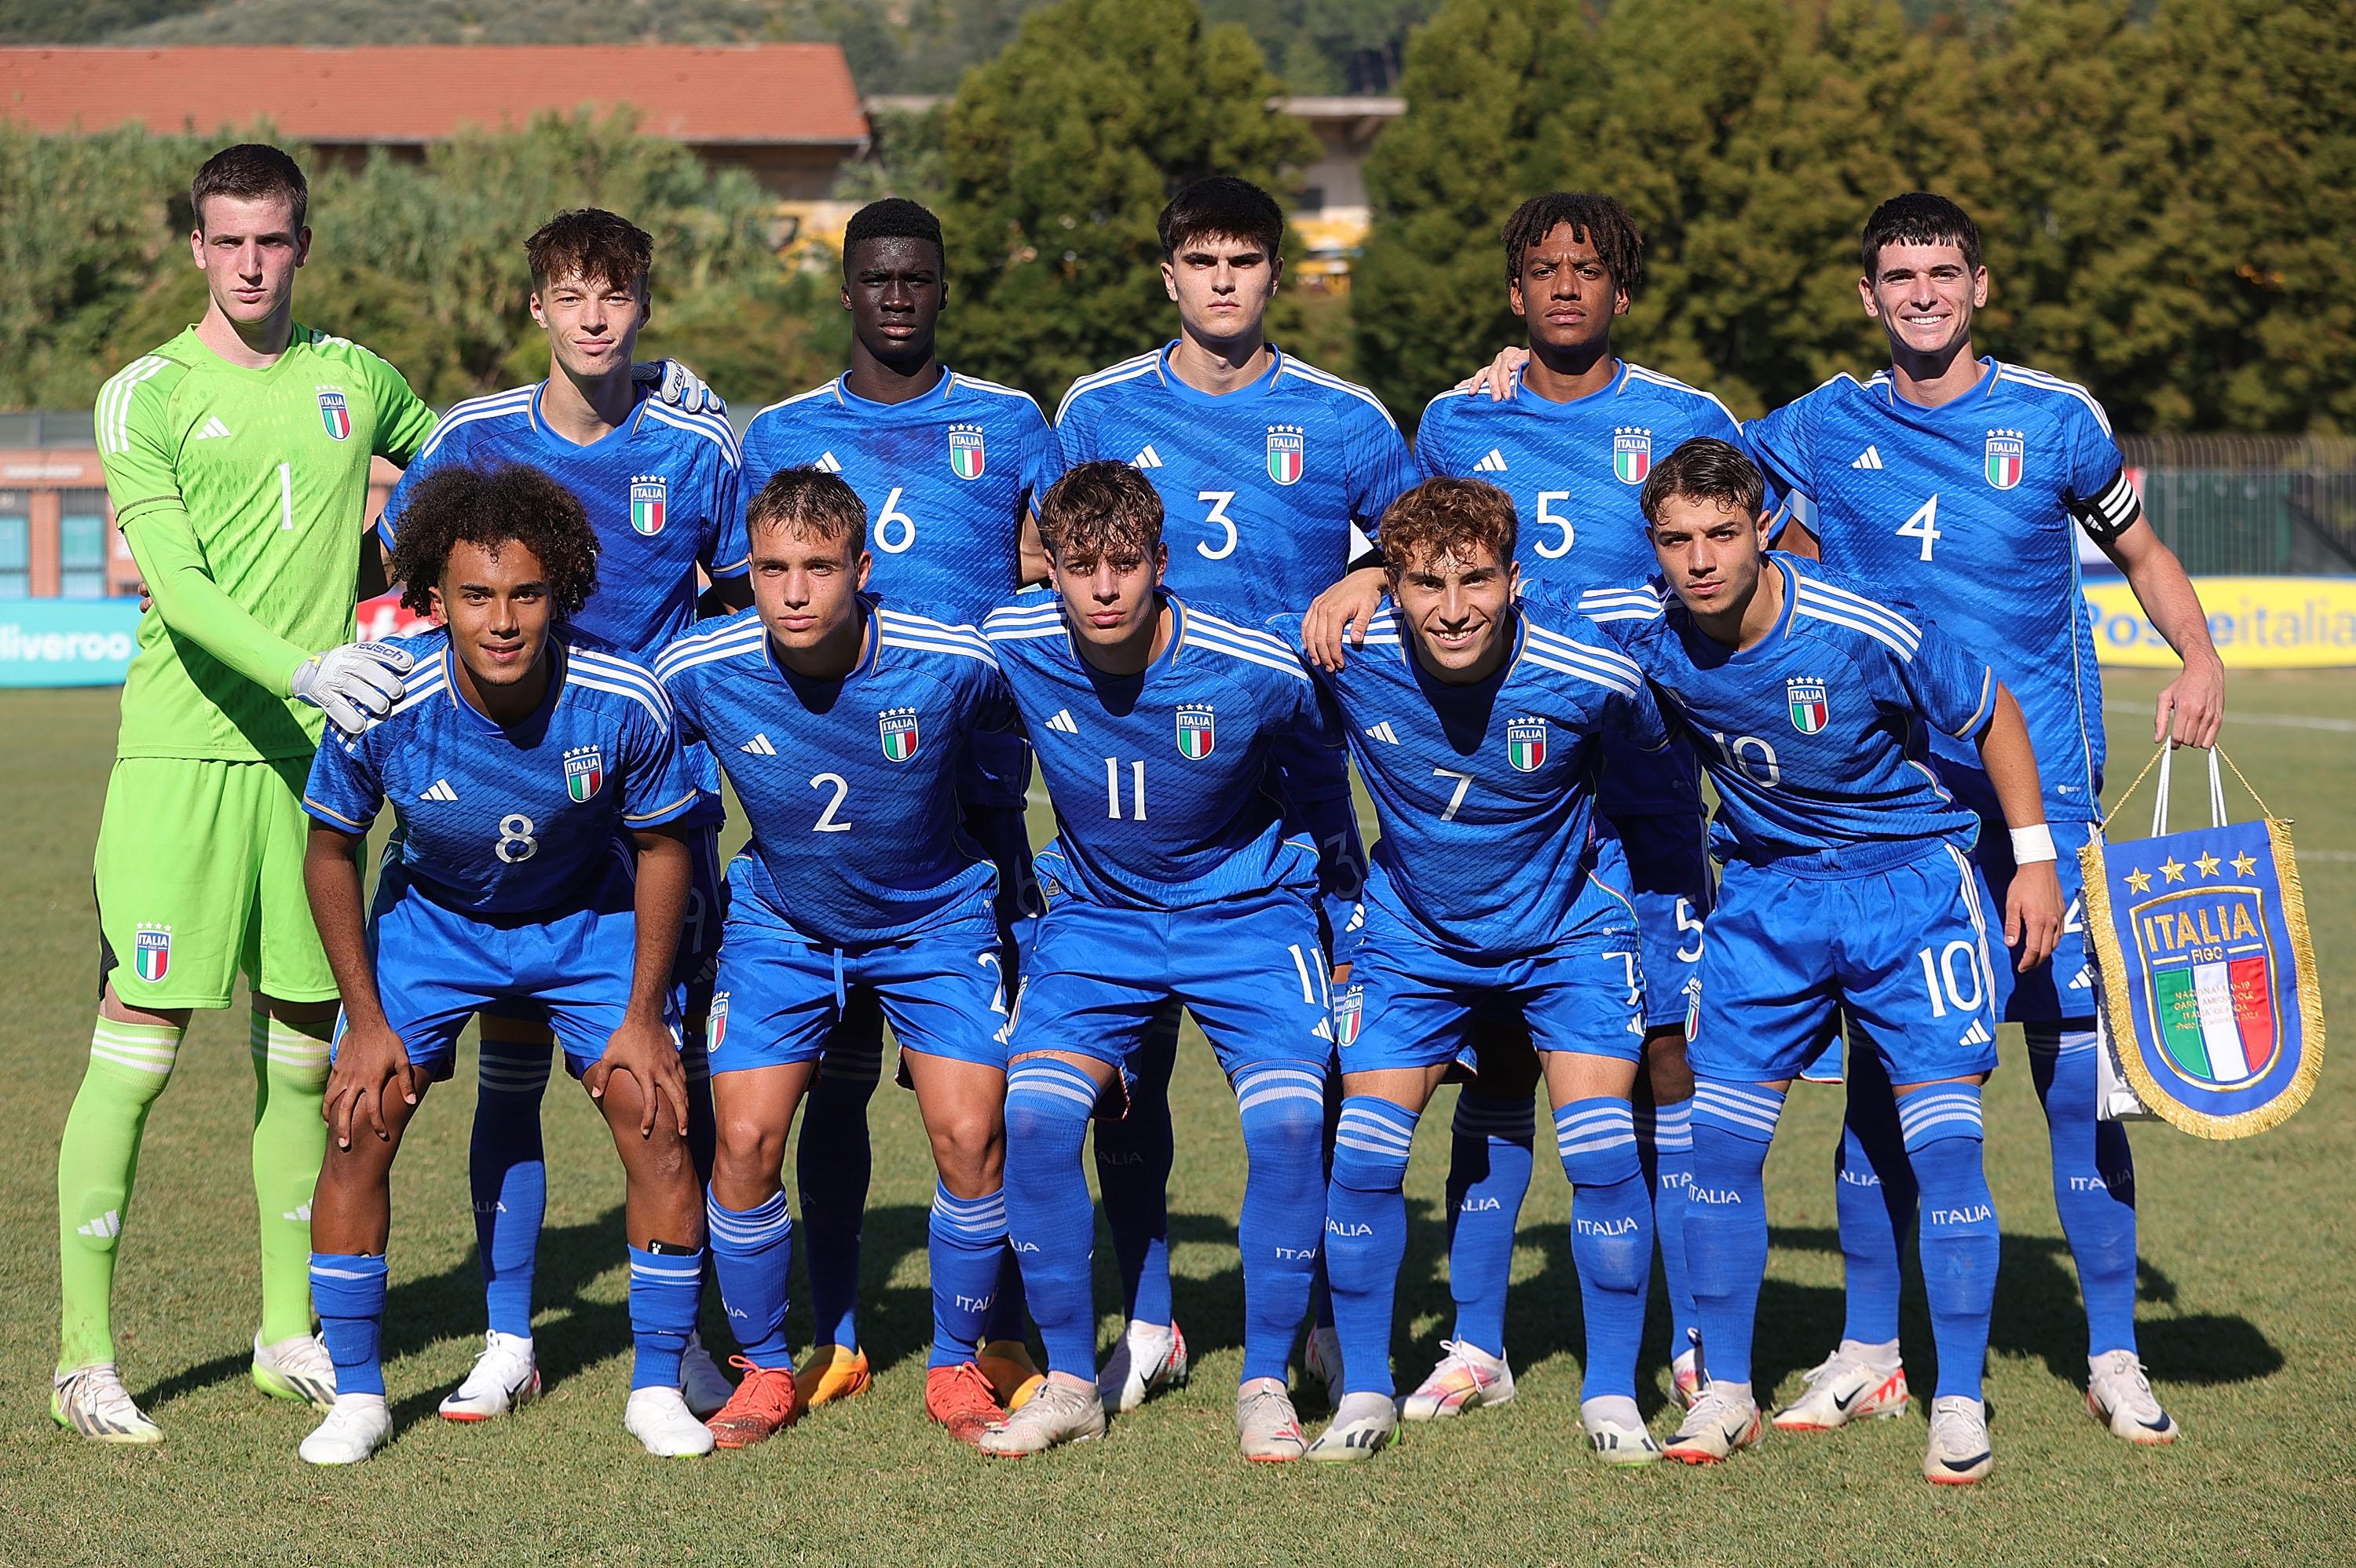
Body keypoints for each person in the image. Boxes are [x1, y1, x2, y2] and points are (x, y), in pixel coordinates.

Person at [1743, 194, 2219, 1442]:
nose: (1920, 293)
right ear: (1868, 297)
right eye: (1897, 275)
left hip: (2045, 820)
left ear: (1981, 285)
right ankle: (1867, 1348)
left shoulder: (2056, 421)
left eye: (1941, 271)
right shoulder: (1820, 422)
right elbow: (1683, 467)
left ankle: (2113, 1351)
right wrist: (1522, 365)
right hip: (1891, 832)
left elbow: (2146, 553)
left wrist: (2200, 654)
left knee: (2078, 1089)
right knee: (1879, 1097)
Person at [1304, 192, 1732, 1414]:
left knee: (1660, 1060)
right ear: (1514, 292)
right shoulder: (1457, 414)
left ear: (1622, 292)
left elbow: (1750, 545)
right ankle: (1479, 1341)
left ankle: (1690, 1334)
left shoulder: (1686, 419)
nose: (1563, 288)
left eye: (1587, 270)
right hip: (1493, 774)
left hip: (1643, 778)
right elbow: (1428, 545)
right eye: (1541, 270)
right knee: (1493, 1064)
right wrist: (1362, 573)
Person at [1582, 437, 2060, 1485]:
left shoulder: (1858, 626)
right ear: (1653, 548)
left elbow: (1992, 713)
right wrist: (1366, 585)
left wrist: (2031, 860)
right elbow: (1485, 624)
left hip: (1911, 894)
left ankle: (1961, 1400)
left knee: (1944, 1151)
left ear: (1761, 529)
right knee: (1719, 1148)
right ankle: (1728, 1390)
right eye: (1676, 540)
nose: (1700, 559)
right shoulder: (1639, 630)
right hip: (1766, 899)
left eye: (1720, 534)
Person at [59, 143, 437, 1442]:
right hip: (180, 765)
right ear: (199, 247)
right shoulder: (143, 394)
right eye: (228, 241)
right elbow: (180, 586)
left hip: (316, 770)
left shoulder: (357, 377)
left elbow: (451, 470)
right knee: (141, 1050)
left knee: (299, 1063)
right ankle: (83, 1359)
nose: (251, 263)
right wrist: (309, 663)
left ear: (303, 242)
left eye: (272, 239)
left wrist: (411, 591)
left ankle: (288, 1335)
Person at [374, 207, 749, 1424]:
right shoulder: (472, 437)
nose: (595, 318)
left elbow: (741, 610)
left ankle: (678, 1337)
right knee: (508, 1077)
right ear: (537, 308)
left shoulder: (700, 446)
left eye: (618, 295)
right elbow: (400, 577)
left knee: (661, 1070)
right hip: (500, 796)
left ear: (644, 306)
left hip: (643, 808)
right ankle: (504, 1330)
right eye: (572, 297)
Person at [1052, 175, 1416, 1410]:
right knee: (1124, 1065)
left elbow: (1410, 539)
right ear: (1168, 275)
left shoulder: (1345, 414)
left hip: (1297, 786)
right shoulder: (1097, 406)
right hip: (1134, 780)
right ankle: (1149, 1313)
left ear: (1277, 275)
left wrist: (1366, 575)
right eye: (1200, 260)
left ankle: (1308, 1305)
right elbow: (1050, 561)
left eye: (1244, 260)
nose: (1222, 280)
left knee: (1300, 1064)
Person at [295, 464, 716, 1464]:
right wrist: (364, 1020)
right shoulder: (386, 699)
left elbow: (662, 849)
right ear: (435, 600)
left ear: (559, 590)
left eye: (525, 592)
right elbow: (329, 849)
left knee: (651, 1106)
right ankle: (356, 1392)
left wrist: (646, 1013)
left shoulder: (623, 696)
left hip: (583, 918)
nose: (502, 619)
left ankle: (658, 1379)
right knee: (362, 1113)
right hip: (437, 921)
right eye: (476, 595)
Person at [734, 198, 1061, 1415]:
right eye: (875, 278)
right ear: (847, 291)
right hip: (833, 815)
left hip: (978, 804)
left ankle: (1000, 1329)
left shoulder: (1013, 420)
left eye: (916, 277)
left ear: (941, 285)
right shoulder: (784, 431)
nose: (896, 297)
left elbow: (1064, 554)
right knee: (833, 1079)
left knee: (985, 1084)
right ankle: (837, 1327)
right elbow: (740, 588)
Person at [1273, 477, 1665, 1464]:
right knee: (1364, 1155)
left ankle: (1614, 1391)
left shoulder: (1592, 670)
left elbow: (1665, 749)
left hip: (1568, 928)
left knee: (1600, 1148)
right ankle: (1364, 1386)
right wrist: (1347, 583)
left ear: (1517, 579)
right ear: (1391, 587)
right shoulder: (1344, 650)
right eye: (1425, 583)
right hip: (1415, 934)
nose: (1453, 608)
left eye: (1477, 580)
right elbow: (1201, 651)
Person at [654, 466, 1026, 1450]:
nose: (794, 591)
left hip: (935, 918)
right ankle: (767, 1367)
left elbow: (1035, 715)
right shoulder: (704, 665)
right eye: (772, 567)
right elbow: (611, 726)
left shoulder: (948, 662)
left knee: (969, 1130)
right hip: (783, 924)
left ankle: (955, 1363)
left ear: (863, 569)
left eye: (819, 567)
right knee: (741, 1141)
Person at [979, 462, 1341, 1460]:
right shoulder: (1016, 639)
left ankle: (1265, 1379)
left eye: (1125, 565)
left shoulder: (1254, 666)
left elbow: (1320, 781)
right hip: (1097, 921)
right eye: (1082, 565)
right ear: (1049, 570)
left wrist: (1341, 923)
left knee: (1289, 1122)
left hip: (1248, 915)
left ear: (1161, 565)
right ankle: (1067, 1380)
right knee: (1038, 1118)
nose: (1103, 588)